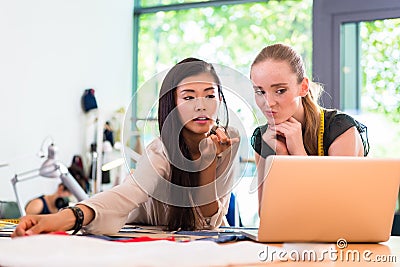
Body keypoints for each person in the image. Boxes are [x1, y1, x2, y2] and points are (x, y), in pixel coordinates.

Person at [13, 58, 240, 237]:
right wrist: (62, 218)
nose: (201, 106)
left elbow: (208, 222)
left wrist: (208, 162)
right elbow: (125, 195)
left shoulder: (229, 141)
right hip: (147, 239)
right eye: (189, 97)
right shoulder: (160, 152)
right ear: (172, 105)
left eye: (210, 95)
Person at [250, 43, 369, 208]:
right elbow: (268, 213)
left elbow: (335, 207)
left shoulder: (340, 129)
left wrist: (298, 152)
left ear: (303, 87)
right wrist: (282, 155)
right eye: (260, 91)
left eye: (280, 91)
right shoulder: (266, 138)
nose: (268, 103)